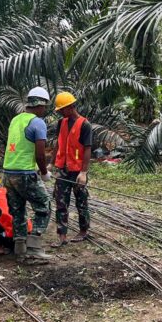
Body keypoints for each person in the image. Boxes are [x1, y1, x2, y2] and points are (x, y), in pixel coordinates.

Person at [2, 86, 53, 263]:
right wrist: (45, 172)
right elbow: (40, 153)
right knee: (44, 206)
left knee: (17, 211)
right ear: (40, 104)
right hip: (24, 174)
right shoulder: (37, 122)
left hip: (8, 173)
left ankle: (20, 247)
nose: (45, 110)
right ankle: (33, 249)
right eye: (45, 106)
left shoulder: (15, 120)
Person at [50, 92, 92, 248]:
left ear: (70, 107)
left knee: (81, 201)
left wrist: (83, 172)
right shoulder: (61, 123)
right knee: (60, 202)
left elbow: (87, 149)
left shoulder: (85, 124)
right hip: (63, 169)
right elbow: (58, 144)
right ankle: (62, 235)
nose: (60, 112)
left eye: (62, 109)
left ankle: (83, 231)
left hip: (77, 170)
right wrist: (51, 163)